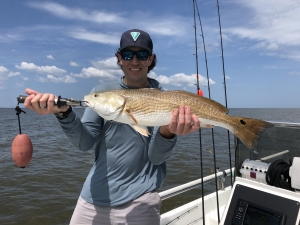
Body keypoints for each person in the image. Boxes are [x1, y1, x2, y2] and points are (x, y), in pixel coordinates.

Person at [24, 29, 200, 225]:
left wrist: (168, 132)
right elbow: (84, 142)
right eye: (127, 54)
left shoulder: (165, 99)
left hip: (141, 201)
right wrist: (64, 114)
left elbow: (156, 157)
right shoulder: (100, 93)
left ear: (150, 59)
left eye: (141, 55)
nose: (134, 61)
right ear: (119, 58)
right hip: (93, 197)